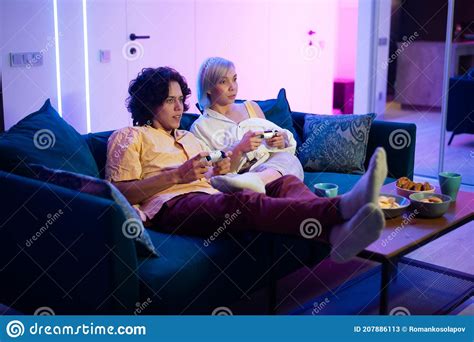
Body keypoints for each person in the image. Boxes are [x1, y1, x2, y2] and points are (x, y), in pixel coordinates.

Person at [105, 66, 388, 263]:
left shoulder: (188, 137)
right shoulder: (128, 137)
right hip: (170, 206)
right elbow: (120, 192)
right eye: (170, 101)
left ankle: (335, 234)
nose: (180, 108)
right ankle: (340, 207)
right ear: (149, 103)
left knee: (284, 182)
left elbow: (221, 172)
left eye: (181, 100)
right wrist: (177, 176)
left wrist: (231, 159)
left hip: (210, 194)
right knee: (244, 203)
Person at [190, 57, 303, 194]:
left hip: (268, 168)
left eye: (235, 79)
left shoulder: (252, 107)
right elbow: (209, 171)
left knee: (290, 160)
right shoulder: (200, 127)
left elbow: (273, 139)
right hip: (236, 175)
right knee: (222, 180)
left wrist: (279, 142)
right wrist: (238, 149)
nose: (233, 87)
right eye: (223, 81)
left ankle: (257, 182)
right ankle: (254, 186)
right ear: (208, 88)